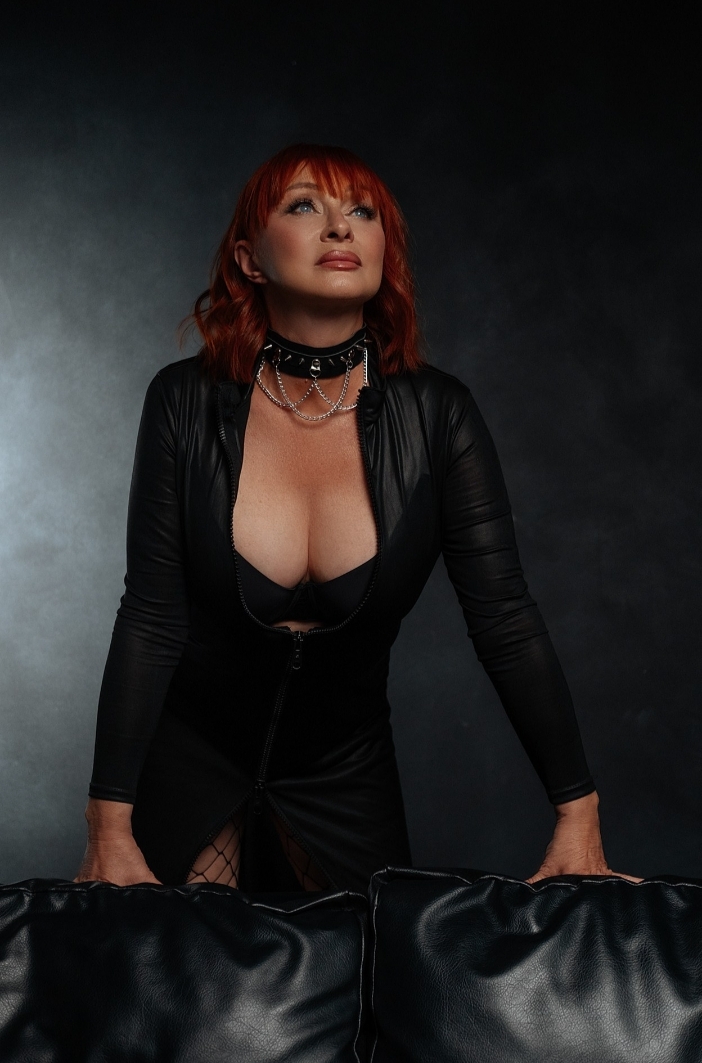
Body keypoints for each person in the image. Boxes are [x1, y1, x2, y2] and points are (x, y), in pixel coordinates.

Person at [76, 143, 631, 893]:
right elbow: (150, 616)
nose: (341, 227)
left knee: (367, 965)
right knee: (191, 964)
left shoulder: (440, 415)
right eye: (305, 205)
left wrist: (578, 811)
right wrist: (108, 824)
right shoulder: (182, 401)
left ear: (382, 250)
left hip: (344, 768)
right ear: (249, 259)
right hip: (192, 756)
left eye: (362, 212)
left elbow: (503, 618)